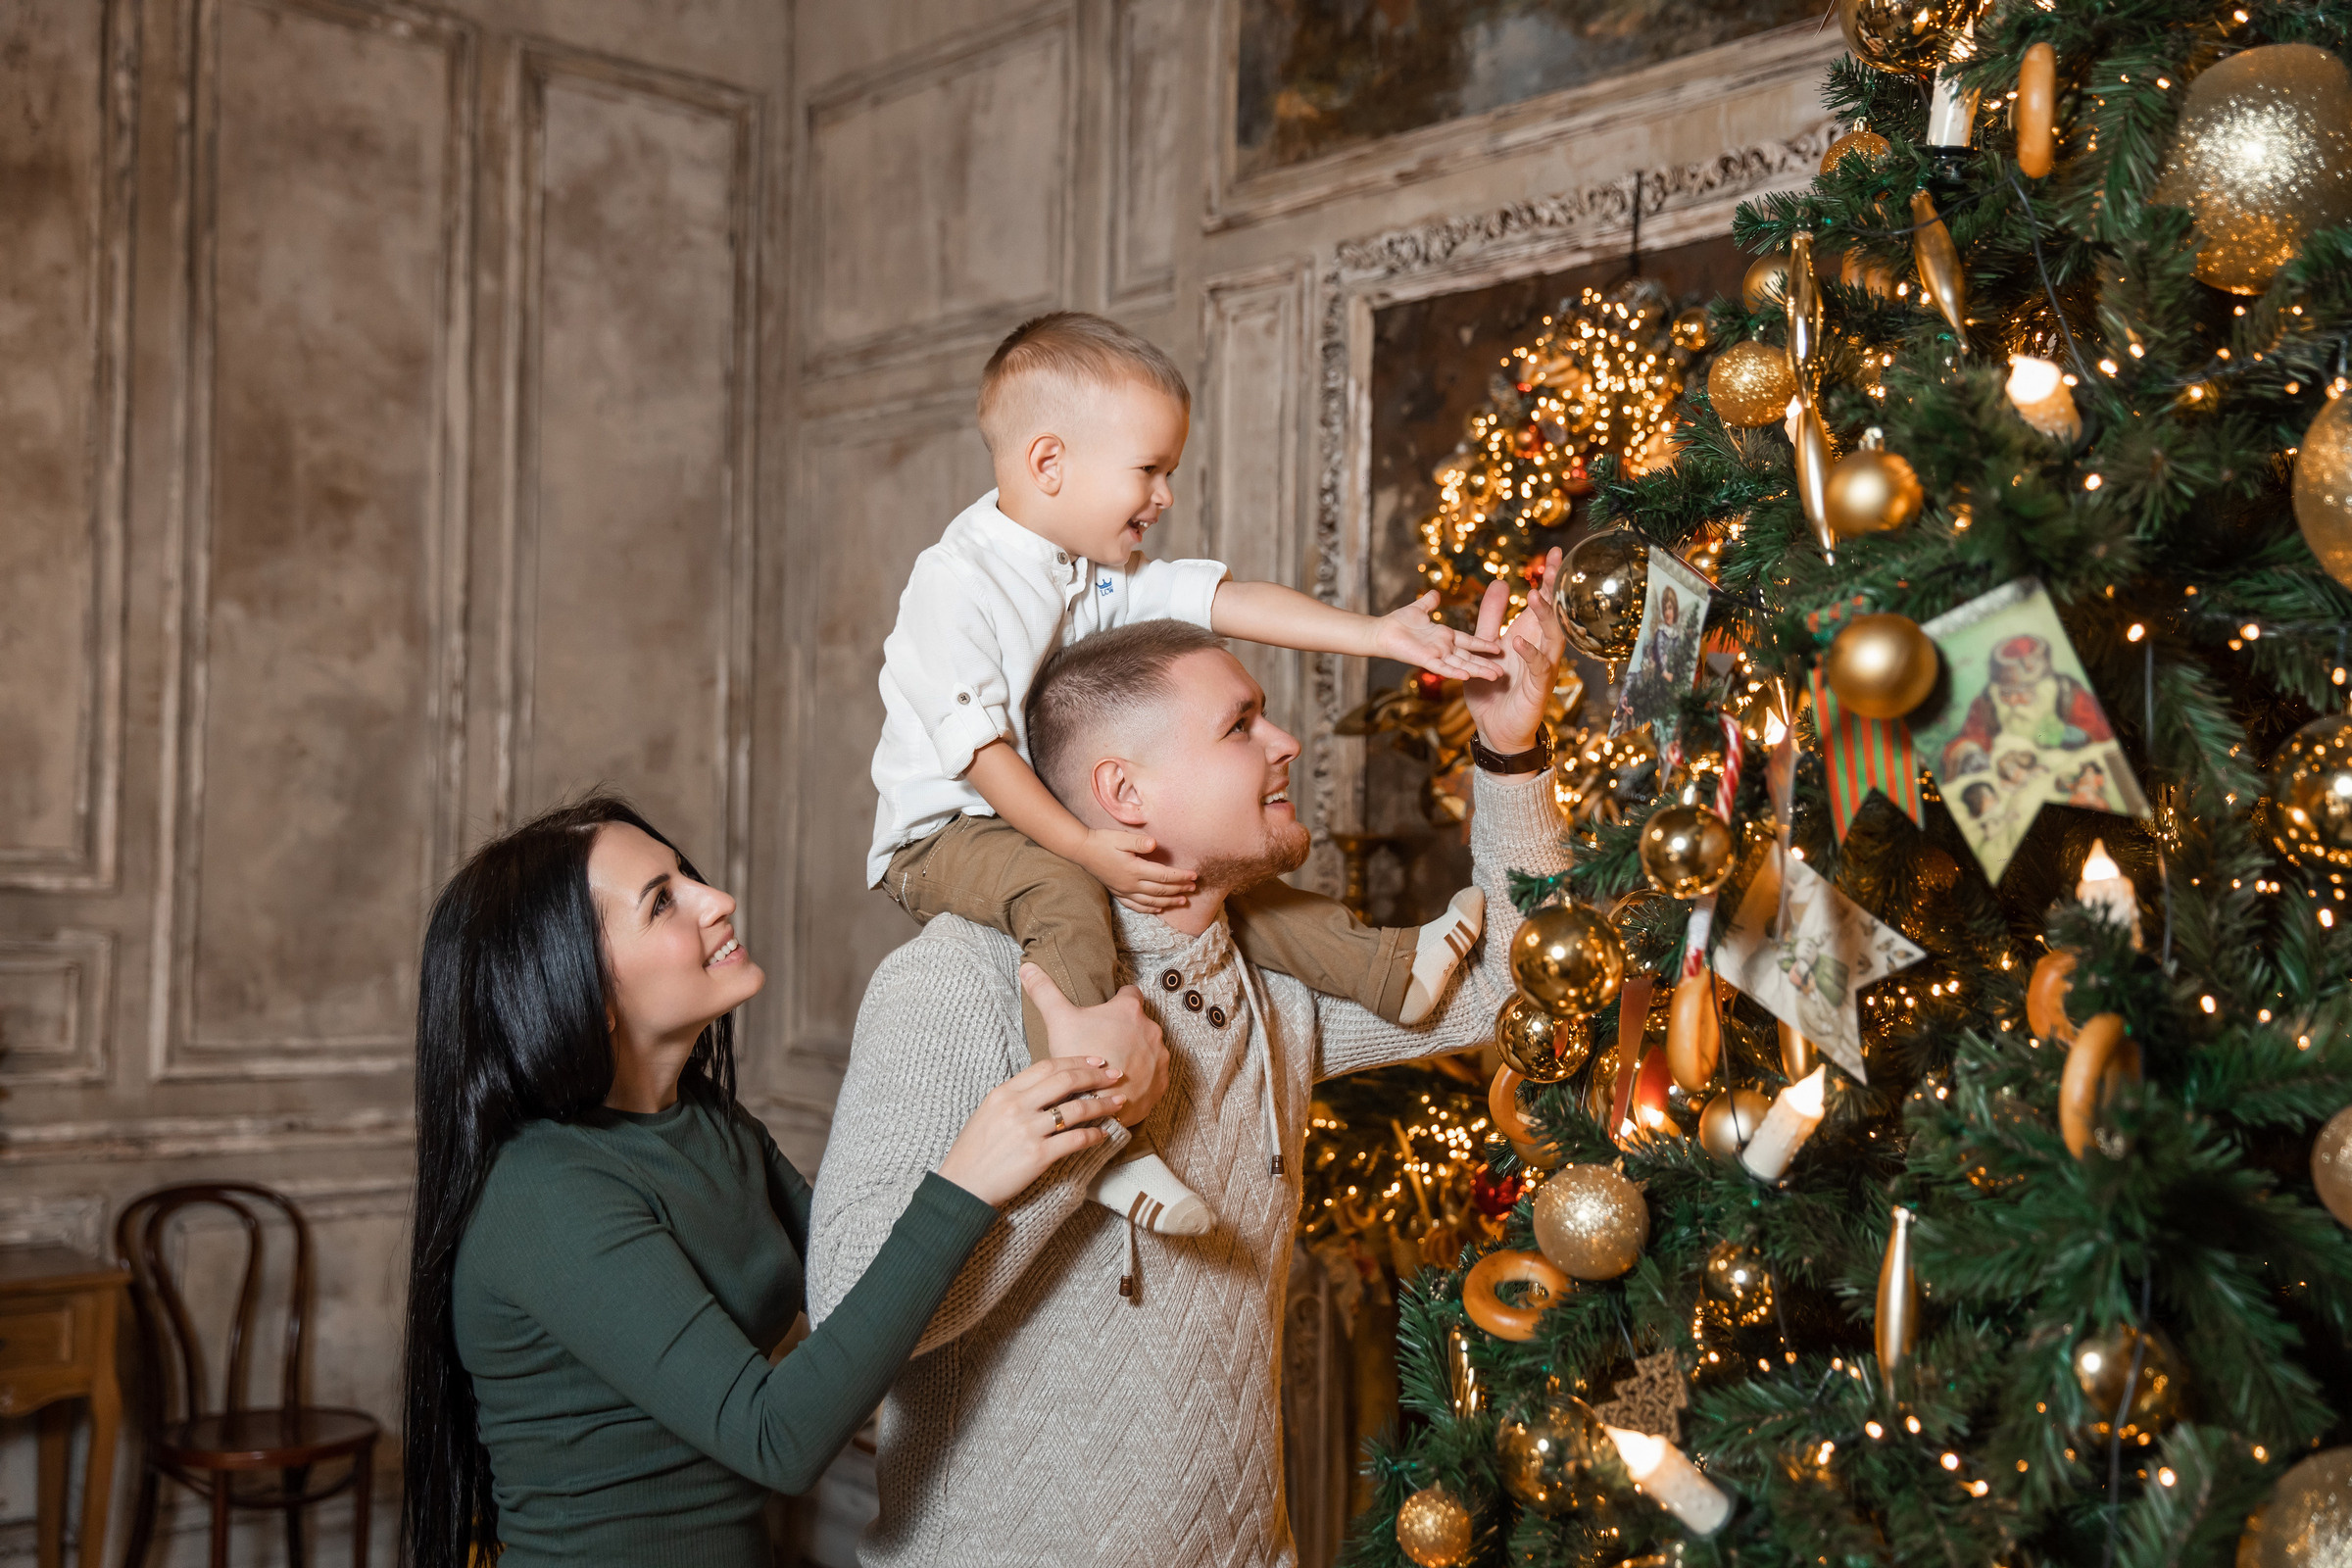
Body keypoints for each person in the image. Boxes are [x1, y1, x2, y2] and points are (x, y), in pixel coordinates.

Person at [809, 558, 1570, 1567]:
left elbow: (1519, 989)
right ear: (1124, 792)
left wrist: (1510, 751)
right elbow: (856, 1322)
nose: (1285, 741)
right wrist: (1091, 1119)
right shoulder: (958, 983)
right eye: (1240, 724)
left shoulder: (1262, 982)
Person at [399, 797, 1165, 1568]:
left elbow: (863, 1282)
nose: (718, 900)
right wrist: (965, 1179)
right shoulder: (542, 1194)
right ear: (580, 992)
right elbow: (778, 1439)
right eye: (663, 902)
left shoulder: (705, 1121)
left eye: (683, 876)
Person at [871, 311, 1494, 1237]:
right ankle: (1096, 1133)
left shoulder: (1093, 571)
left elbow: (1225, 599)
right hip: (949, 836)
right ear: (1050, 464)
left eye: (1170, 472)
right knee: (1059, 884)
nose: (1164, 495)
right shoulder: (957, 583)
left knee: (1203, 872)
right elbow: (984, 757)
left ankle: (1389, 970)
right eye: (1149, 471)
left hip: (1050, 818)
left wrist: (1374, 633)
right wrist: (1089, 847)